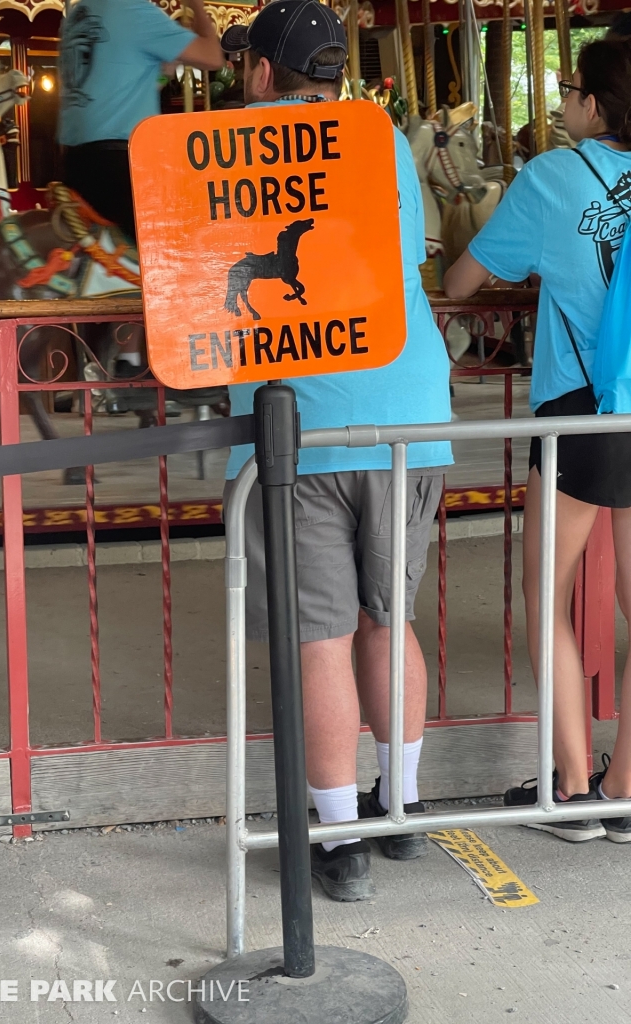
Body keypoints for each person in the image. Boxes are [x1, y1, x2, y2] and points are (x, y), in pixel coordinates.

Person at [220, 0, 453, 901]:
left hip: (299, 427)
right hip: (409, 413)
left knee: (317, 637)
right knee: (388, 620)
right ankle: (400, 810)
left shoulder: (238, 143)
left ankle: (339, 839)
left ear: (264, 73)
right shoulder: (382, 137)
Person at [444, 38, 631, 842]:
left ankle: (571, 786)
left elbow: (461, 279)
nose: (560, 103)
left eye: (567, 89)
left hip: (582, 412)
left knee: (545, 594)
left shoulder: (552, 178)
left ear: (594, 105)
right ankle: (624, 793)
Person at [58, 0, 223, 239]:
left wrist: (162, 76)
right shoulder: (133, 11)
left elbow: (116, 90)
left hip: (75, 160)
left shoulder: (76, 15)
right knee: (190, 239)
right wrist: (196, 6)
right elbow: (213, 56)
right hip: (119, 164)